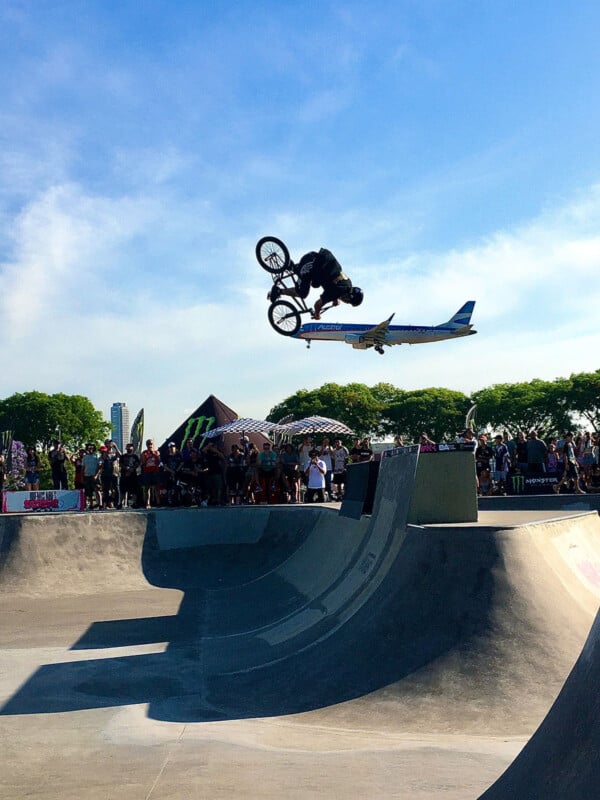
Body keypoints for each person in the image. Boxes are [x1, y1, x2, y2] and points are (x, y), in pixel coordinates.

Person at [269, 248, 363, 320]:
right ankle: (278, 291)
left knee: (315, 283)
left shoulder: (348, 284)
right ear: (348, 296)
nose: (346, 303)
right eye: (348, 302)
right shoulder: (337, 292)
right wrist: (317, 315)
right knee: (302, 293)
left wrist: (334, 300)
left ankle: (292, 267)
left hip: (316, 261)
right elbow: (317, 305)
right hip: (311, 264)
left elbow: (335, 287)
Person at [141, 439, 161, 509]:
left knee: (157, 487)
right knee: (147, 488)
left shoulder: (157, 452)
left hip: (155, 471)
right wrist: (149, 456)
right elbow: (143, 462)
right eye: (149, 444)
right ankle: (148, 503)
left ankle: (158, 502)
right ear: (146, 445)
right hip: (147, 472)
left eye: (151, 444)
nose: (150, 445)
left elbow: (158, 462)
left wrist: (154, 455)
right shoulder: (144, 453)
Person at [119, 443, 140, 508]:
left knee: (134, 490)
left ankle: (134, 503)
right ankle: (121, 503)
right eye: (128, 447)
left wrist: (132, 469)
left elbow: (137, 464)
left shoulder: (135, 456)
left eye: (130, 447)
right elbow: (120, 464)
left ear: (132, 448)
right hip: (124, 475)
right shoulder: (123, 456)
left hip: (133, 475)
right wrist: (126, 468)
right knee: (123, 490)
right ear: (126, 448)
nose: (129, 448)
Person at [81, 443, 102, 509]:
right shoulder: (85, 457)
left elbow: (100, 467)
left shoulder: (96, 456)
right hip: (87, 476)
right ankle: (91, 505)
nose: (90, 450)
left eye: (92, 448)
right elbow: (83, 468)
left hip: (94, 476)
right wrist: (82, 477)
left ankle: (100, 504)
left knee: (97, 490)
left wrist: (96, 475)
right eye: (89, 448)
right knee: (88, 491)